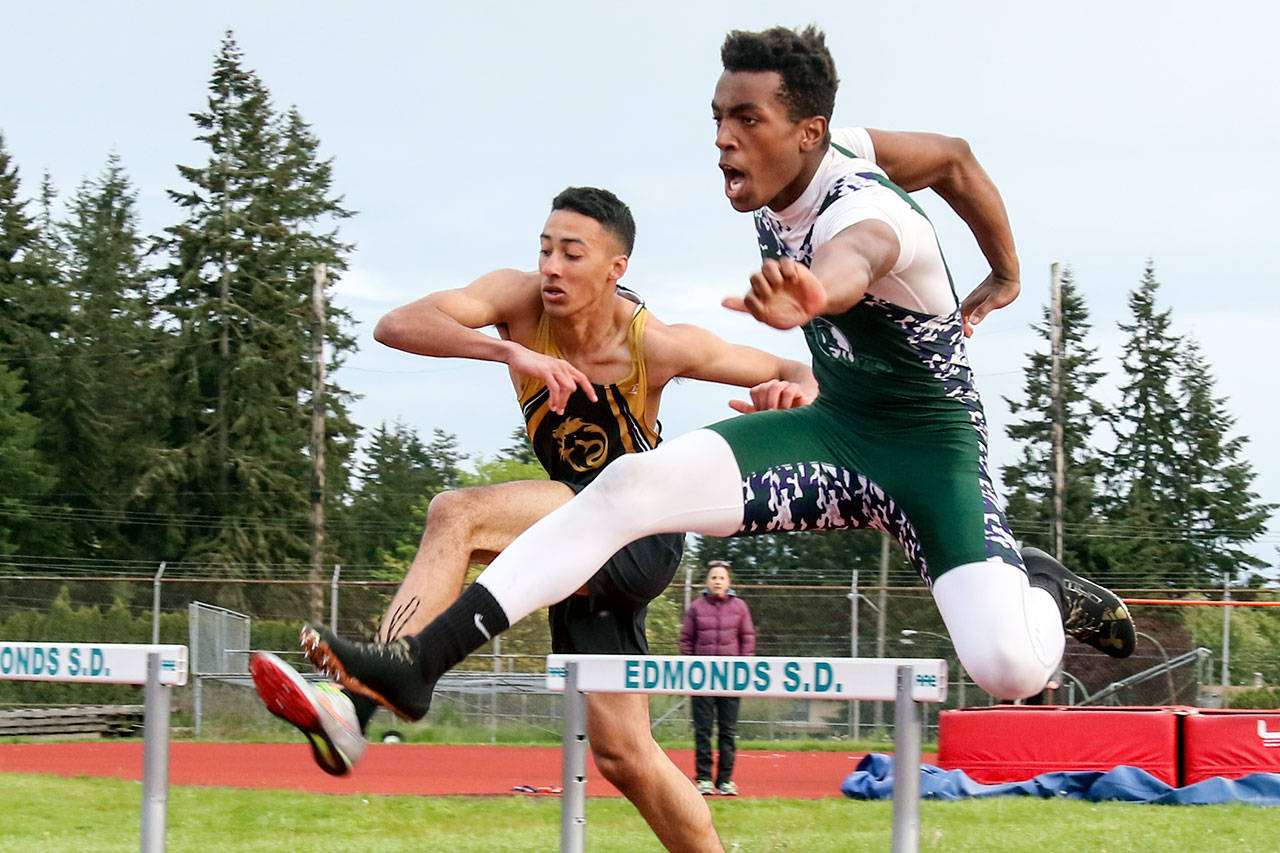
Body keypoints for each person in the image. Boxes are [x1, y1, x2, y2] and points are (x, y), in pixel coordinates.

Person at [299, 27, 1137, 753]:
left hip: (931, 453)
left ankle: (1041, 585)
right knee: (627, 485)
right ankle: (416, 666)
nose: (724, 141)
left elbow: (862, 256)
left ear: (805, 132)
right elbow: (955, 156)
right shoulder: (843, 143)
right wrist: (1005, 270)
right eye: (718, 119)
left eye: (747, 121)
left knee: (1005, 668)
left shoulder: (863, 215)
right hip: (836, 434)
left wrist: (815, 294)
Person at [255, 185, 817, 849]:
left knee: (458, 514)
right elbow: (396, 323)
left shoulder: (654, 343)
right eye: (545, 248)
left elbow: (795, 369)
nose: (551, 266)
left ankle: (366, 695)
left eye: (571, 254)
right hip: (568, 539)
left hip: (641, 530)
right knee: (624, 755)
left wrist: (791, 391)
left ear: (615, 270)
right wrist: (508, 352)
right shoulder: (517, 303)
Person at [680, 560, 755, 796]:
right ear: (707, 581)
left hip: (730, 679)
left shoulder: (740, 607)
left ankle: (725, 780)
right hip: (702, 679)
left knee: (727, 730)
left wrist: (741, 668)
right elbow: (686, 640)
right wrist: (694, 668)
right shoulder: (696, 608)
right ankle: (703, 778)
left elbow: (747, 639)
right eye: (714, 577)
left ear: (728, 582)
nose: (718, 582)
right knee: (702, 730)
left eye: (722, 578)